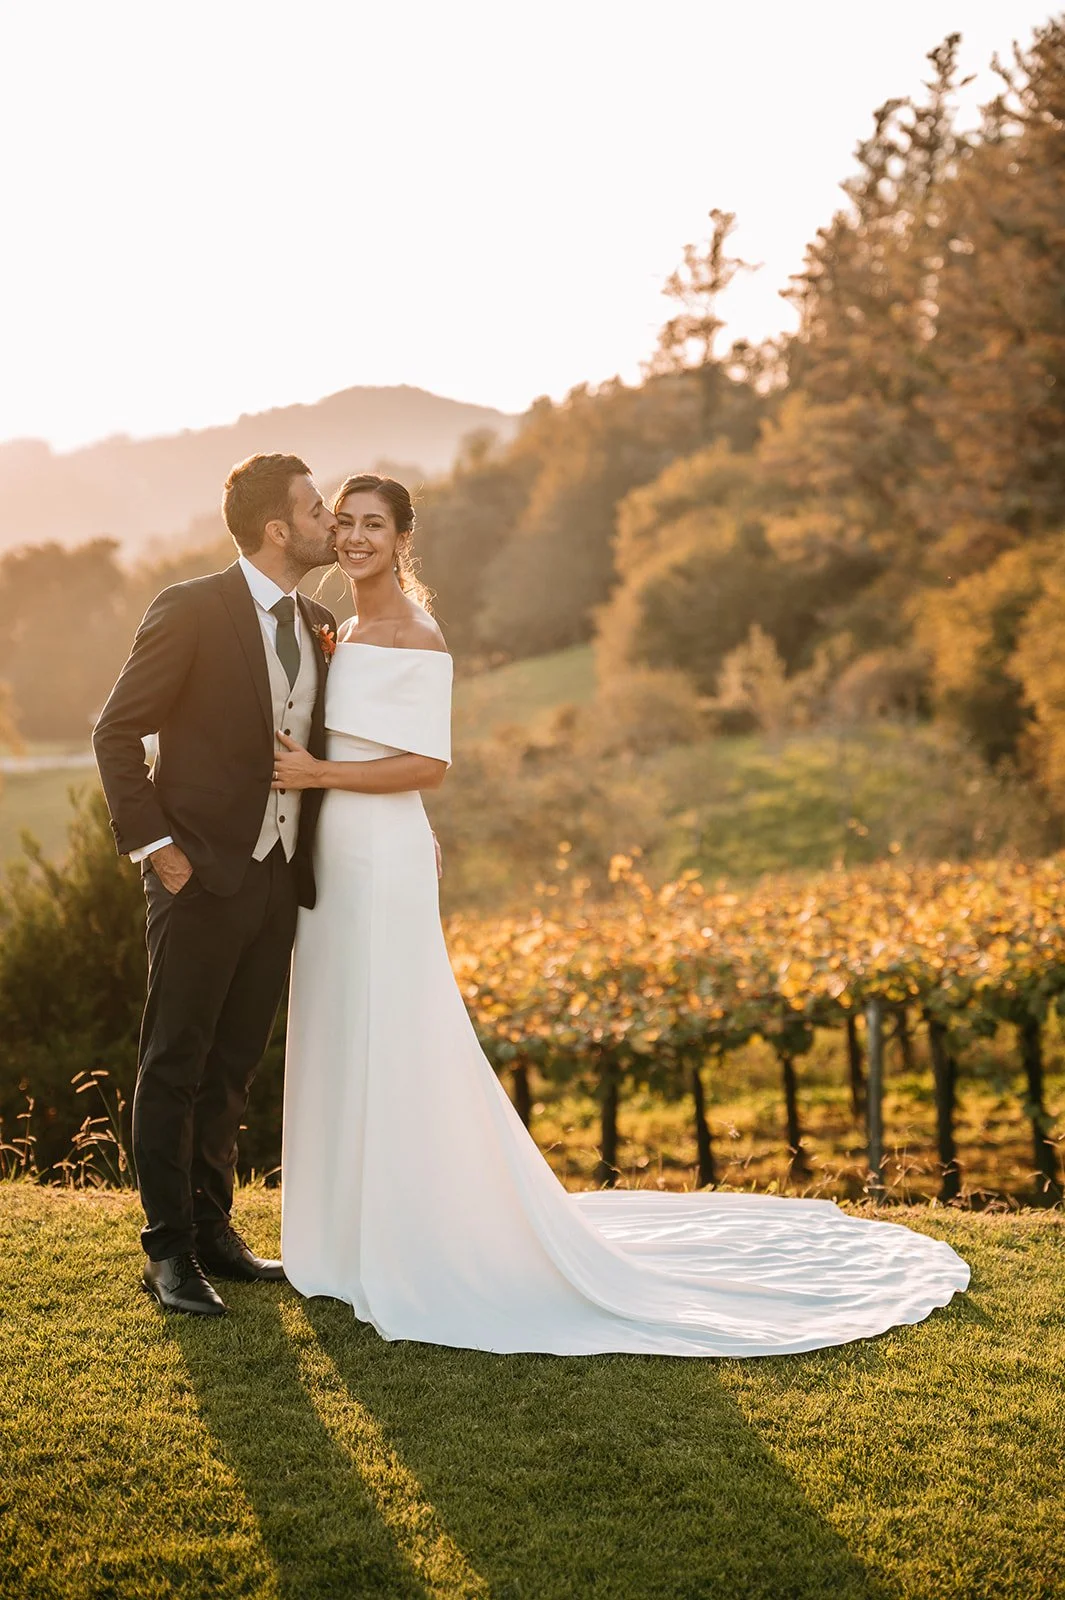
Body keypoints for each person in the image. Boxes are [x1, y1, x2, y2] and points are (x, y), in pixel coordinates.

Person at [277, 474, 970, 1358]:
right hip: (335, 860)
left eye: (374, 524)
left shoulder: (417, 633)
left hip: (382, 857)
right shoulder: (334, 632)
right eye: (344, 523)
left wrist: (317, 776)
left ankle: (415, 1234)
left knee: (399, 1032)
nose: (355, 538)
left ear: (402, 538)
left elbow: (427, 767)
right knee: (342, 1027)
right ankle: (341, 1239)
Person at [93, 453, 338, 1316]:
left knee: (232, 1063)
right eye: (315, 509)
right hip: (197, 875)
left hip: (276, 881)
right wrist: (159, 849)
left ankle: (214, 1230)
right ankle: (168, 1254)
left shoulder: (316, 620)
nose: (328, 521)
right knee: (174, 1062)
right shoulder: (191, 608)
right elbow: (116, 732)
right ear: (279, 528)